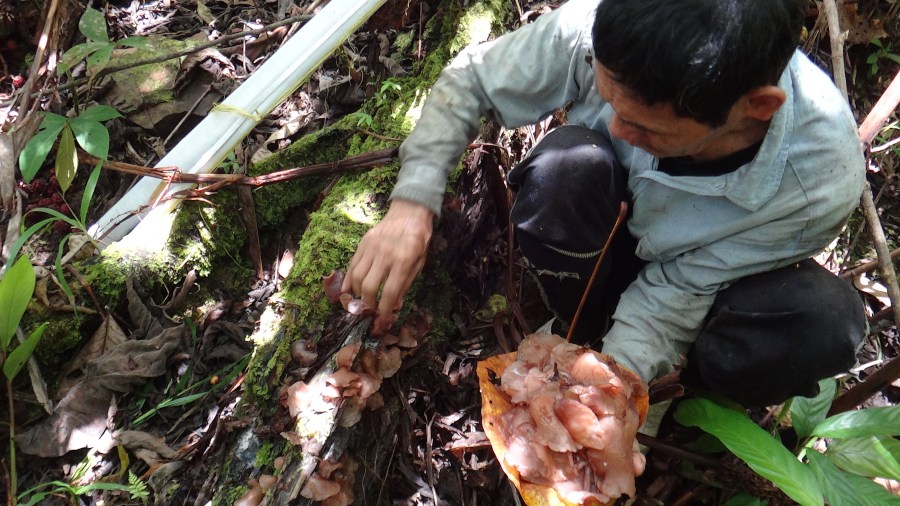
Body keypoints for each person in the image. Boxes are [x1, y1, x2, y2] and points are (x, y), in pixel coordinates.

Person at [342, 0, 867, 408]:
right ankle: (579, 322)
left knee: (821, 323)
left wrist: (613, 391)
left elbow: (681, 289)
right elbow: (472, 79)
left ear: (756, 107)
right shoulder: (606, 24)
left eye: (645, 126)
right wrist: (412, 206)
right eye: (608, 99)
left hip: (704, 290)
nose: (615, 128)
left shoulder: (817, 182)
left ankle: (679, 391)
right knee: (564, 170)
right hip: (599, 227)